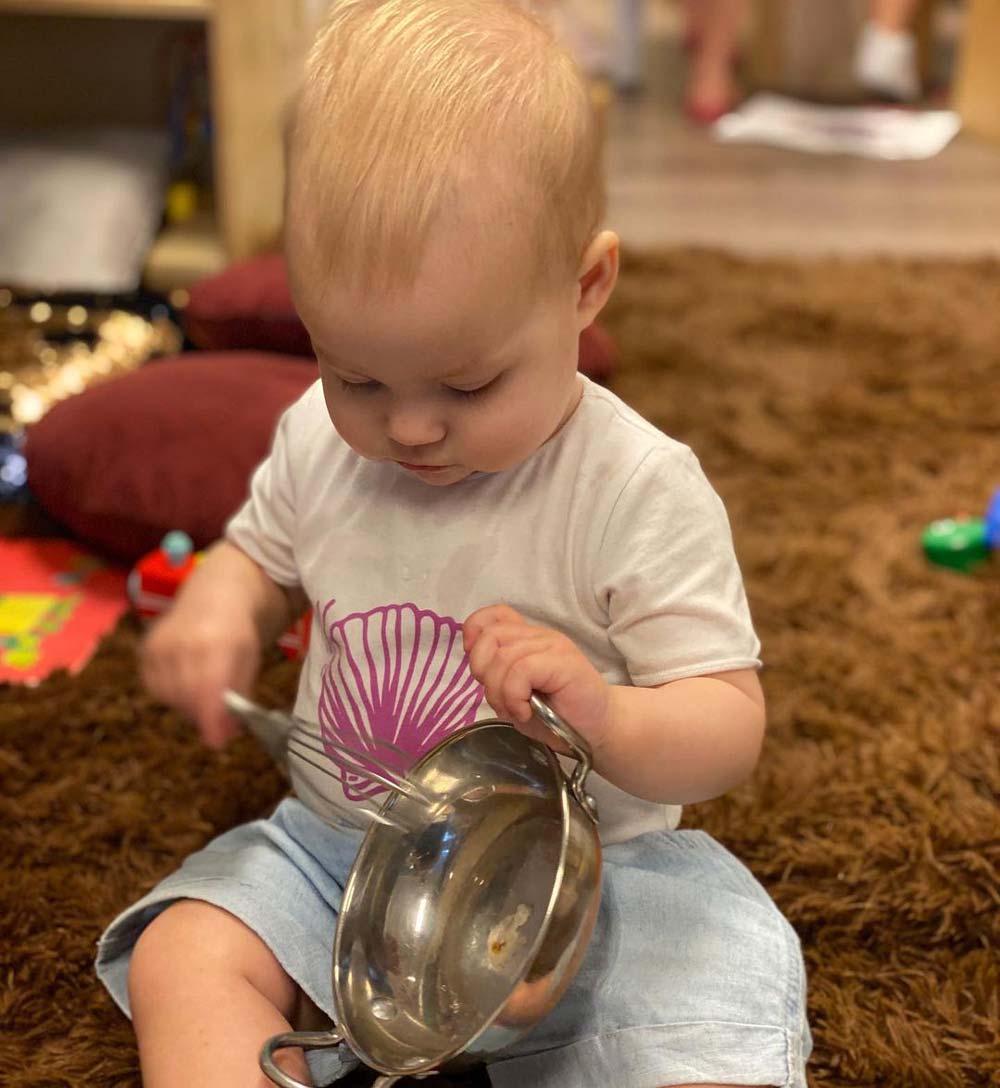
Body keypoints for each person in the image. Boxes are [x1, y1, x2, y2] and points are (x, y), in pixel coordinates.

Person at [95, 2, 811, 1086]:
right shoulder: (312, 441)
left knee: (708, 1001)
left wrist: (609, 714)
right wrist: (216, 606)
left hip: (599, 879)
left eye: (469, 382)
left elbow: (726, 729)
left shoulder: (637, 486)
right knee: (183, 950)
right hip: (343, 846)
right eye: (356, 375)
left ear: (584, 288)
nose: (410, 426)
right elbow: (258, 560)